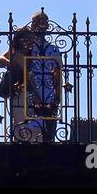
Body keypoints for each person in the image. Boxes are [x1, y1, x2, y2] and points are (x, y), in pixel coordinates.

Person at [0, 28, 43, 142]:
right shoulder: (15, 51)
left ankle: (32, 140)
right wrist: (11, 63)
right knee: (19, 118)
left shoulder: (35, 51)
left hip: (32, 90)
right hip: (18, 89)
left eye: (30, 38)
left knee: (34, 118)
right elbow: (0, 59)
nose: (27, 42)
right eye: (25, 39)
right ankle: (19, 141)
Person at [26, 10, 64, 143]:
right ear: (32, 25)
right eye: (37, 22)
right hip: (31, 93)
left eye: (43, 22)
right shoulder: (28, 48)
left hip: (48, 94)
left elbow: (57, 74)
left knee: (48, 134)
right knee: (29, 132)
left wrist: (57, 97)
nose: (41, 26)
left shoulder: (53, 49)